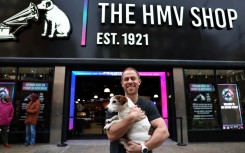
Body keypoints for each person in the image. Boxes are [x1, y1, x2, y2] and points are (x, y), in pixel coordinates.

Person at [105, 67, 169, 153]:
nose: (130, 81)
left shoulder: (148, 105)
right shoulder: (115, 105)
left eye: (133, 78)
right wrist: (132, 117)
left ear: (139, 81)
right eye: (126, 79)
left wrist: (142, 148)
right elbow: (111, 135)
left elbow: (164, 131)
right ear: (122, 83)